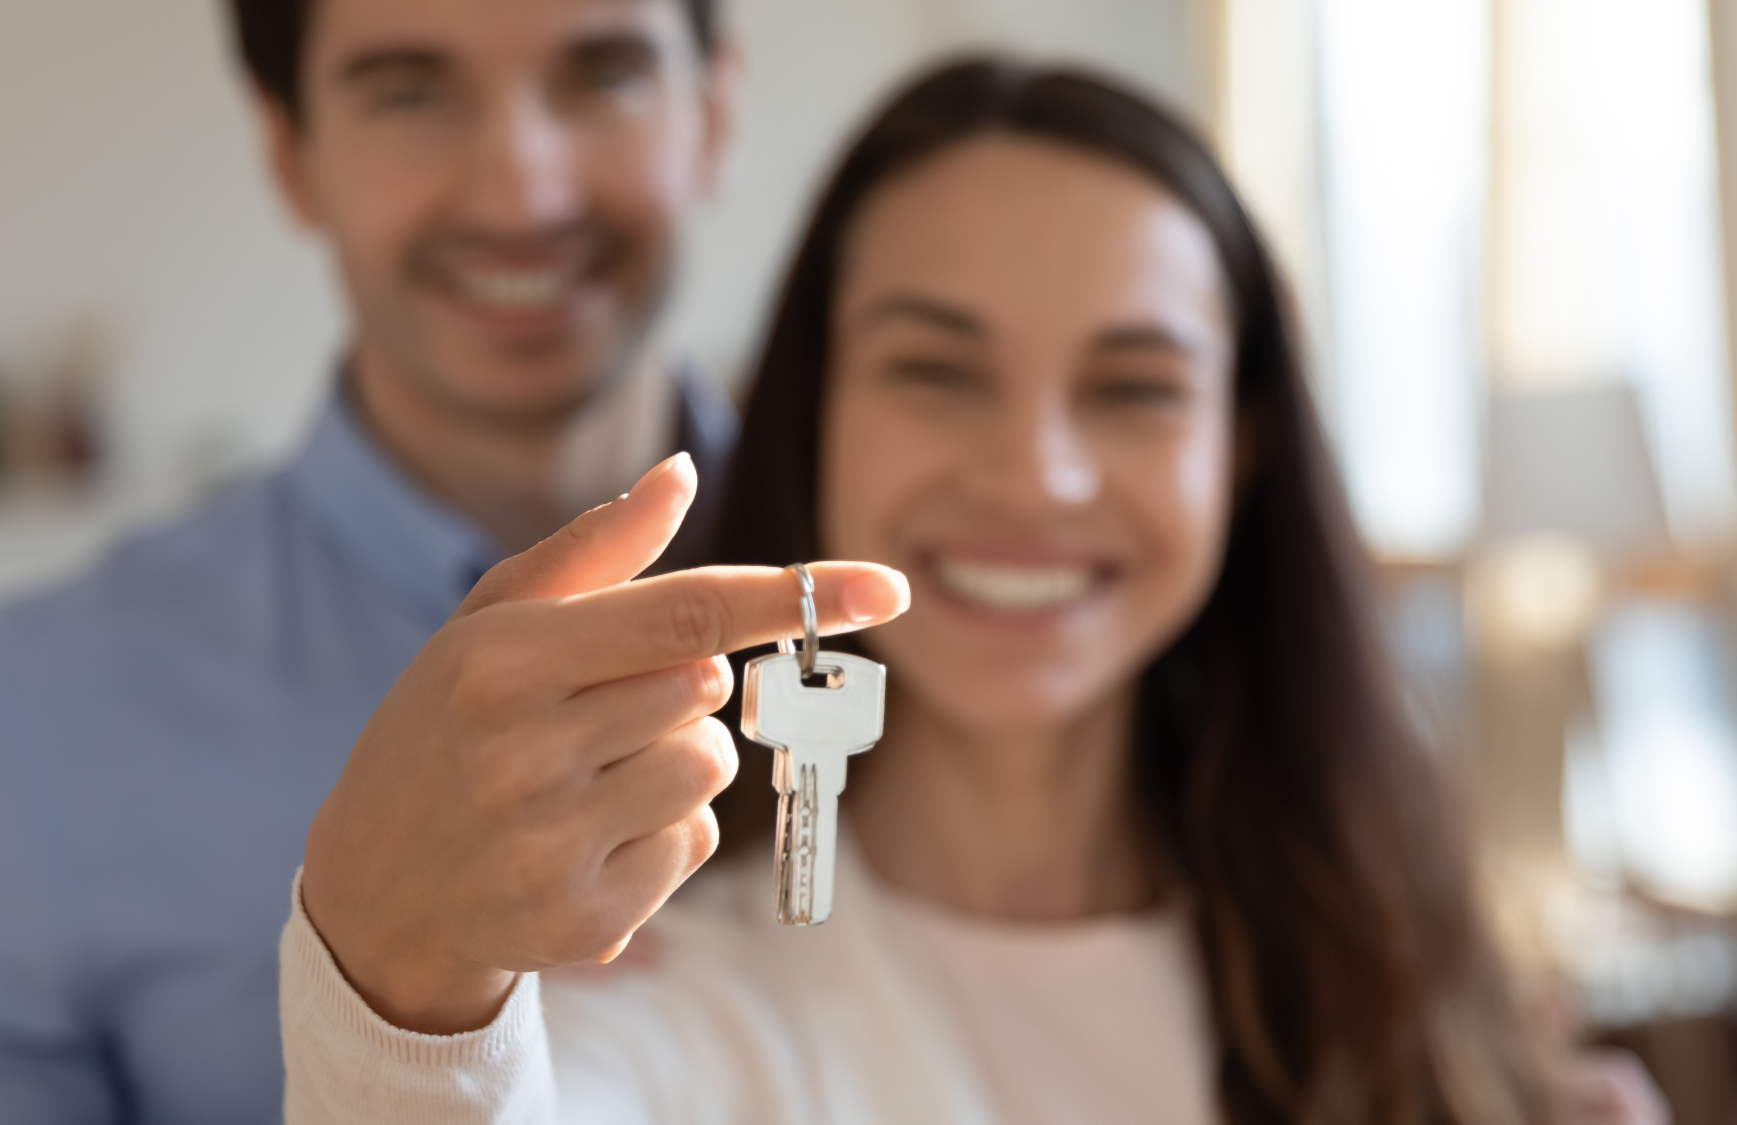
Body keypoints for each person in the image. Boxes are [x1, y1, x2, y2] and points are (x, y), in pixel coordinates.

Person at [275, 59, 1641, 1124]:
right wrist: (404, 997)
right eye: (936, 369)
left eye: (1134, 387)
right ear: (816, 419)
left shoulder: (1386, 949)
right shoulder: (656, 992)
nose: (1036, 475)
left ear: (1242, 449)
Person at [0, 1, 739, 1121]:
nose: (520, 191)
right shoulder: (7, 729)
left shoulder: (944, 622)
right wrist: (380, 992)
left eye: (600, 77)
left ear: (712, 113)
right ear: (290, 152)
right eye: (410, 92)